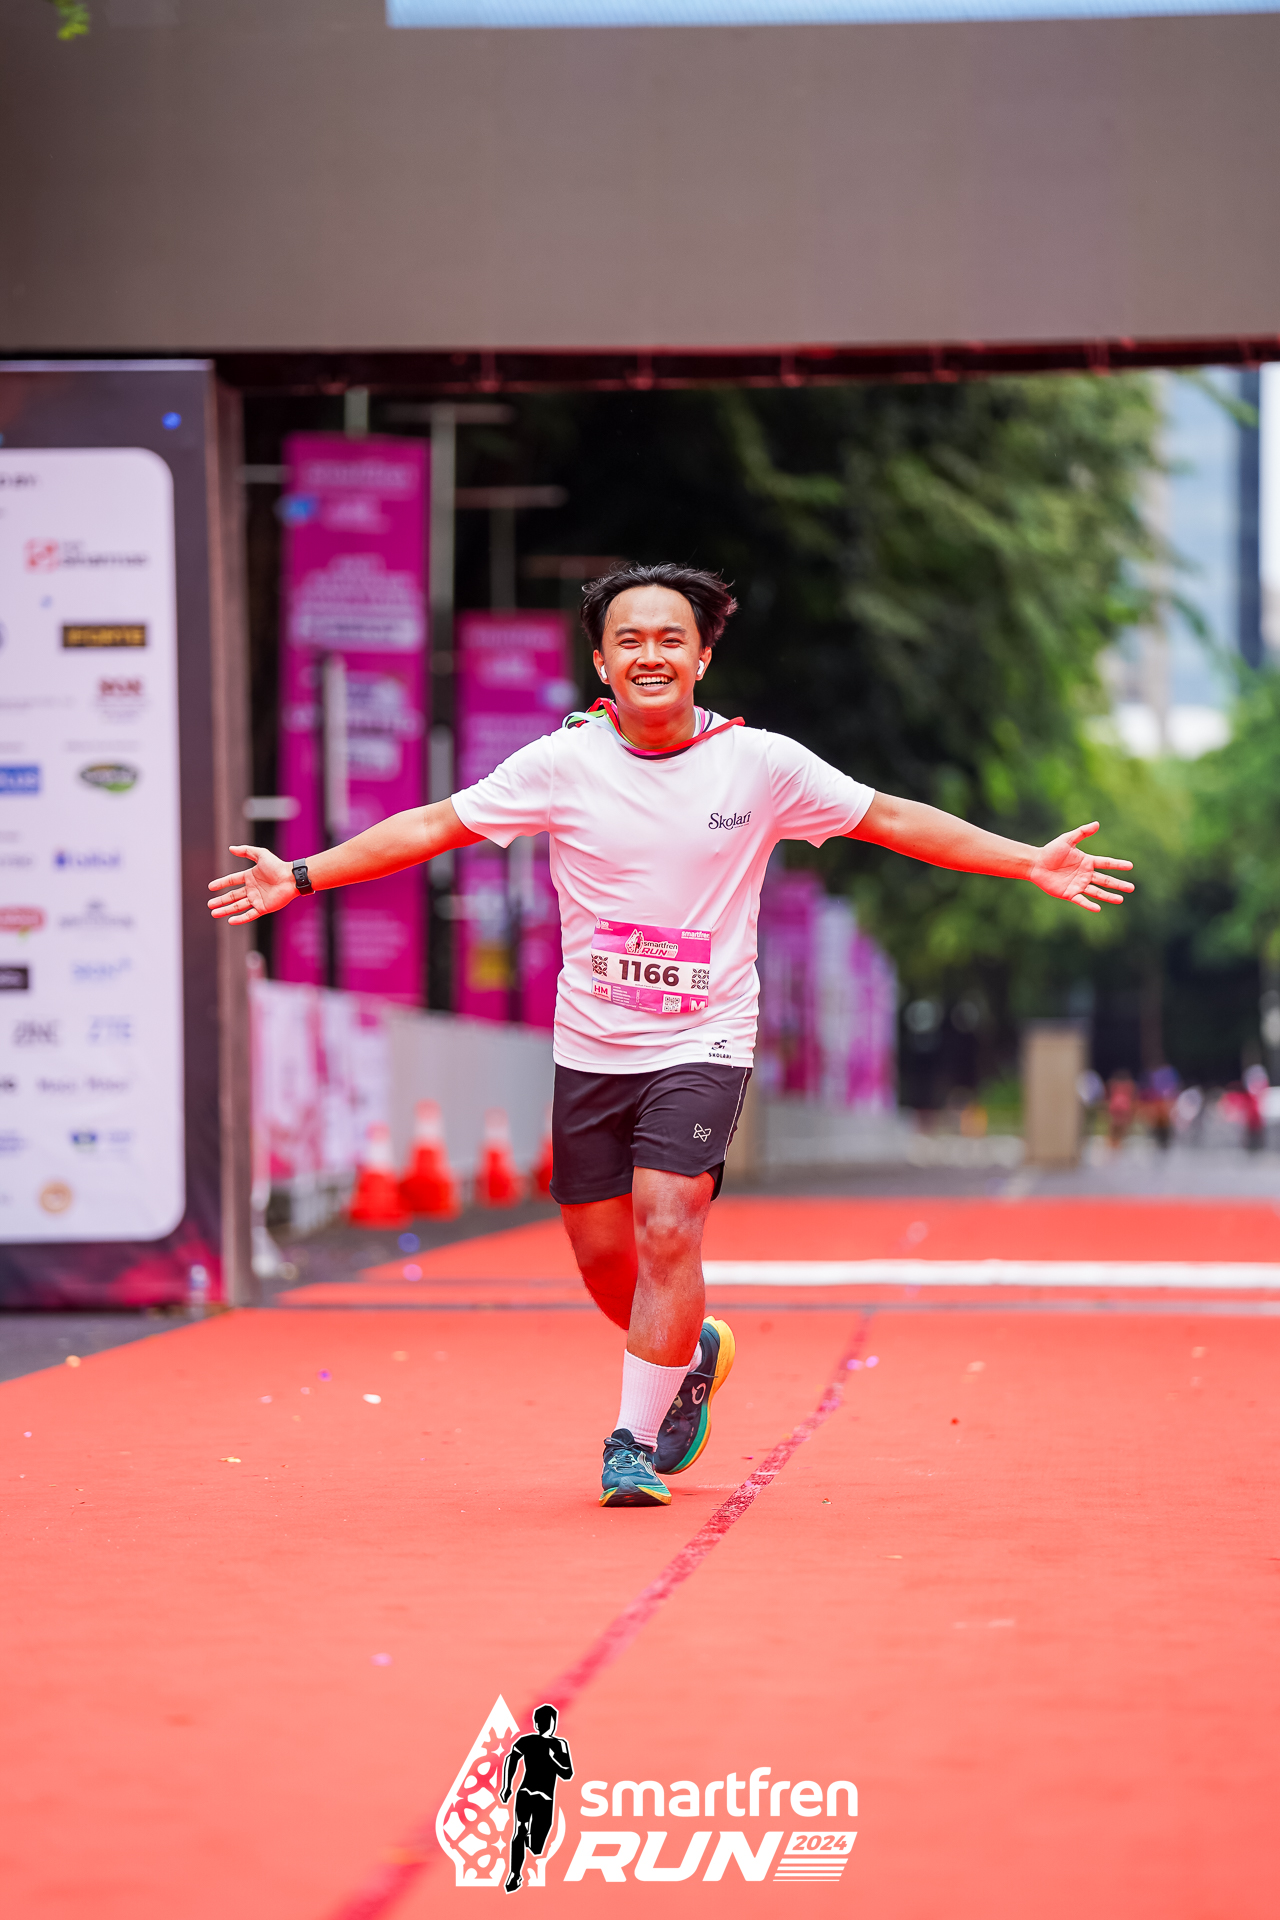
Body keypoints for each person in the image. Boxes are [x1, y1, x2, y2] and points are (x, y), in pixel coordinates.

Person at [209, 562, 1135, 1507]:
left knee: (666, 1222)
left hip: (705, 1036)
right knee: (602, 1256)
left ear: (701, 657)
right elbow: (434, 826)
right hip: (591, 1044)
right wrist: (304, 875)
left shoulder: (761, 765)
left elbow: (889, 817)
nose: (649, 655)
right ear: (601, 663)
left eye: (669, 639)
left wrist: (1026, 861)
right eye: (629, 640)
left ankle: (631, 1444)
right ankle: (691, 1355)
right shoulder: (560, 763)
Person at [498, 1703, 573, 1893]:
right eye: (546, 1721)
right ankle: (515, 1873)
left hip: (539, 1797)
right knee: (520, 1830)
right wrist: (507, 1786)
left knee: (535, 1845)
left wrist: (551, 1760)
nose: (548, 1725)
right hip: (530, 1793)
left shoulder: (558, 1744)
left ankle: (527, 1844)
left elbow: (567, 1773)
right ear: (539, 1723)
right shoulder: (530, 1741)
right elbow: (511, 1759)